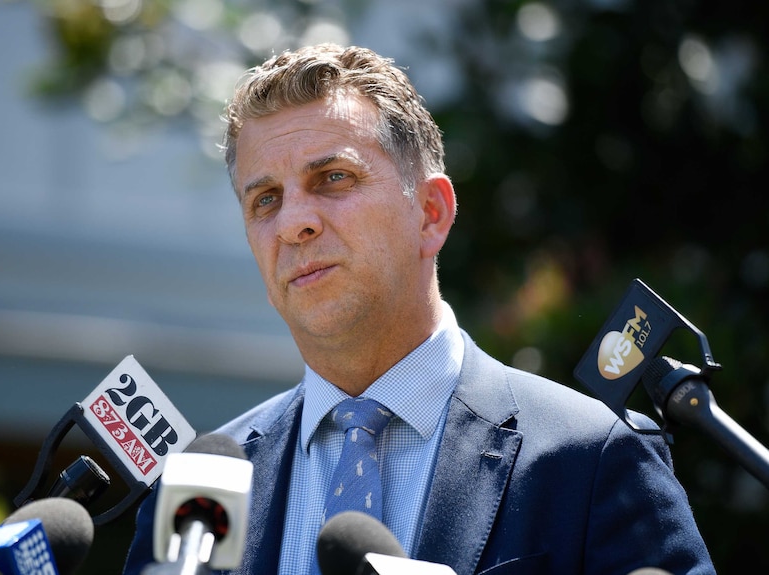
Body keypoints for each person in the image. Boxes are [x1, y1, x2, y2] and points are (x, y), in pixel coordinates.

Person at [122, 43, 715, 575]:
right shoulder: (198, 492)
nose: (294, 222)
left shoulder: (588, 459)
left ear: (430, 212)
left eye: (332, 178)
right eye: (266, 199)